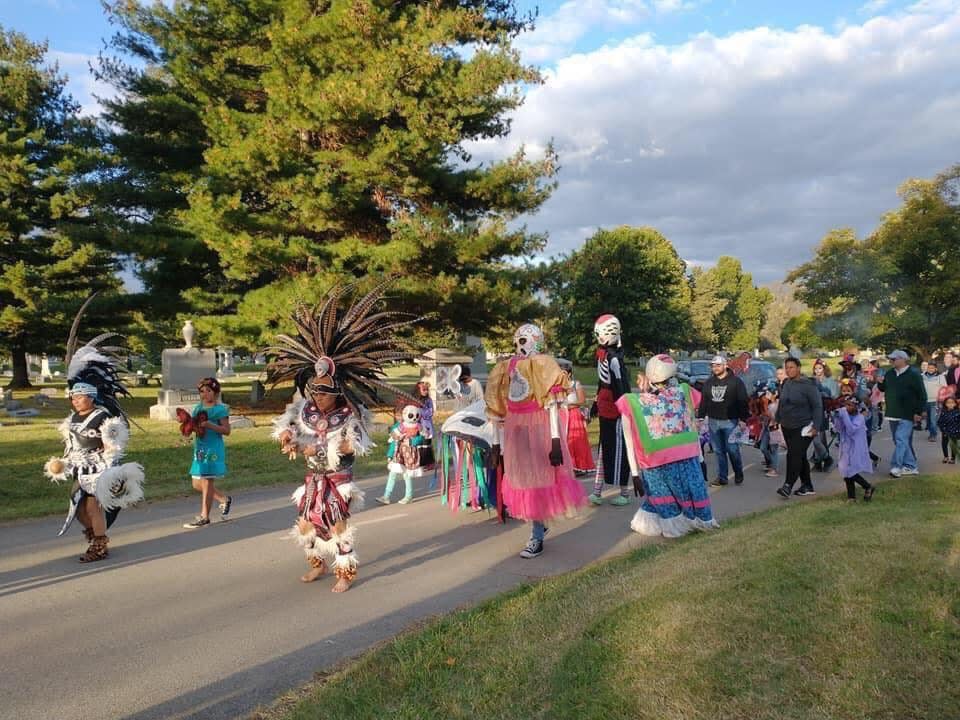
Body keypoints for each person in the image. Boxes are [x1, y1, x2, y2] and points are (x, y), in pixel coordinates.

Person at [267, 281, 421, 591]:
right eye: (314, 389)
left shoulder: (352, 415)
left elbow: (355, 446)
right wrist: (286, 437)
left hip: (338, 481)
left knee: (338, 527)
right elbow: (288, 426)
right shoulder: (304, 410)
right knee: (306, 524)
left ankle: (344, 573)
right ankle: (318, 565)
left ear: (337, 391)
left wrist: (318, 449)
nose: (317, 395)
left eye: (323, 391)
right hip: (312, 481)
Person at [485, 323, 588, 559]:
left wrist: (554, 441)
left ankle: (536, 535)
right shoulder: (505, 368)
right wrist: (496, 443)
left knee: (539, 479)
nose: (520, 345)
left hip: (539, 427)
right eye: (518, 340)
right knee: (523, 479)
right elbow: (498, 407)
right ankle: (538, 526)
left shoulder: (543, 365)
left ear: (536, 341)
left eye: (525, 340)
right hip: (516, 429)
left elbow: (551, 406)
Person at [44, 334, 144, 562]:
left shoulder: (103, 416)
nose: (75, 400)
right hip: (81, 471)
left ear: (91, 397)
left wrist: (107, 462)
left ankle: (100, 544)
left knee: (91, 507)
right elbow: (71, 447)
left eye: (79, 397)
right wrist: (62, 464)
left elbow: (113, 445)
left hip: (99, 472)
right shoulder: (72, 420)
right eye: (73, 397)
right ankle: (97, 535)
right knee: (78, 510)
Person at [620, 355, 719, 537]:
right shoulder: (684, 393)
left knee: (662, 497)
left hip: (655, 461)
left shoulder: (633, 403)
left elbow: (629, 441)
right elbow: (691, 425)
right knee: (692, 491)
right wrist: (701, 457)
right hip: (686, 456)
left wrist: (634, 474)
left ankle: (671, 527)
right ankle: (696, 522)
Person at [589, 315, 632, 505]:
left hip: (616, 409)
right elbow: (602, 382)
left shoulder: (614, 359)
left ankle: (624, 492)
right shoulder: (603, 356)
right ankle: (597, 491)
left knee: (619, 449)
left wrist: (624, 409)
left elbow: (621, 385)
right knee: (603, 449)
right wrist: (595, 404)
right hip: (606, 406)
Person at [183, 377, 233, 528]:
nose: (205, 394)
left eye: (208, 391)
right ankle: (224, 499)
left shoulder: (220, 410)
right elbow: (195, 425)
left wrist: (211, 425)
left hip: (213, 449)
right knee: (197, 483)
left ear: (216, 393)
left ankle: (204, 516)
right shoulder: (198, 408)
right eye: (202, 391)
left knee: (207, 482)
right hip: (200, 449)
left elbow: (227, 430)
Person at [697, 354, 750, 486]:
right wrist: (701, 418)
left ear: (725, 365)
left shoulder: (736, 382)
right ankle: (722, 477)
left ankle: (738, 472)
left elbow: (743, 401)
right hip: (713, 421)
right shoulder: (709, 382)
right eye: (713, 365)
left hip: (730, 421)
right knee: (718, 451)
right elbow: (704, 401)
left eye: (718, 365)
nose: (715, 368)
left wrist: (743, 419)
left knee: (732, 449)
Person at [775, 357, 824, 498]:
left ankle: (787, 485)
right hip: (787, 425)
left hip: (804, 427)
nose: (789, 370)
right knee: (799, 456)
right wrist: (777, 419)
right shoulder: (786, 383)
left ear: (799, 368)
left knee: (793, 455)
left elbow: (817, 406)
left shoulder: (808, 385)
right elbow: (782, 403)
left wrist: (816, 426)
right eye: (787, 368)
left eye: (792, 367)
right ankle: (807, 485)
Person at [878, 350, 926, 478]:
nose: (891, 361)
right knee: (900, 440)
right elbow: (882, 388)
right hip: (892, 412)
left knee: (900, 439)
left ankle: (896, 466)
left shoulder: (913, 374)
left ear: (903, 359)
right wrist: (880, 382)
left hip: (907, 413)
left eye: (894, 359)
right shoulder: (889, 373)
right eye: (891, 359)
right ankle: (911, 466)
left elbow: (922, 394)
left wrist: (919, 412)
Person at [377, 403, 428, 505]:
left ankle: (408, 496)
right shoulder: (396, 427)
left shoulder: (416, 426)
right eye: (397, 415)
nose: (399, 417)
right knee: (392, 474)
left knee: (407, 475)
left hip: (409, 454)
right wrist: (390, 455)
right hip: (397, 455)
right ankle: (386, 496)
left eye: (401, 415)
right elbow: (393, 442)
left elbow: (421, 438)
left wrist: (412, 442)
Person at [833, 396, 875, 502]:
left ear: (856, 406)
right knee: (845, 471)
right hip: (845, 447)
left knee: (850, 471)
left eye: (849, 405)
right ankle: (851, 497)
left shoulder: (860, 418)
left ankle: (867, 486)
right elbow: (839, 429)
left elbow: (851, 430)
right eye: (845, 405)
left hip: (855, 448)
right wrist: (838, 418)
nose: (846, 408)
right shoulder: (845, 416)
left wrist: (845, 415)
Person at [557, 358, 595, 475]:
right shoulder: (557, 386)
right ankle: (568, 465)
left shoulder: (575, 384)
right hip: (562, 414)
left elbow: (582, 401)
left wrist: (570, 405)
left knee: (576, 440)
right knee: (565, 440)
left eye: (564, 373)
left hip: (574, 414)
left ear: (568, 373)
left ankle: (579, 465)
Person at [809, 359, 837, 472]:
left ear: (824, 369)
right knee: (818, 438)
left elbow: (834, 396)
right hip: (812, 411)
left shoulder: (830, 382)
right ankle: (821, 459)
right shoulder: (811, 380)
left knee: (820, 437)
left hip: (824, 411)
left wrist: (824, 395)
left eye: (820, 368)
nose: (817, 371)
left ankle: (823, 460)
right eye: (815, 369)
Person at [921, 360, 945, 443]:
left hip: (935, 402)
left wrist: (942, 399)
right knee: (927, 419)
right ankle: (931, 431)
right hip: (924, 401)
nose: (930, 369)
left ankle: (933, 435)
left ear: (935, 368)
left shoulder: (940, 377)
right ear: (926, 368)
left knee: (933, 420)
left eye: (932, 368)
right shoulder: (922, 376)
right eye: (929, 368)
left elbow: (944, 388)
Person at [936, 395, 960, 464]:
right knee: (944, 444)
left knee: (953, 445)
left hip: (955, 431)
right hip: (945, 431)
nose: (950, 404)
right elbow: (940, 422)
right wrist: (943, 429)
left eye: (952, 403)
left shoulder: (957, 412)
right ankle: (945, 456)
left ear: (955, 404)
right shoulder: (943, 412)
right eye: (948, 403)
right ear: (945, 404)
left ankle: (953, 458)